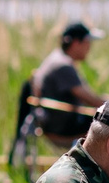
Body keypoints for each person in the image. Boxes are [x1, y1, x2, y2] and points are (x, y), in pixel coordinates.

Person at [16, 21, 103, 157]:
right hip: (61, 127)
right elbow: (91, 100)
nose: (89, 48)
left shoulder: (57, 58)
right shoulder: (63, 65)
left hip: (57, 121)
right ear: (76, 43)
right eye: (87, 43)